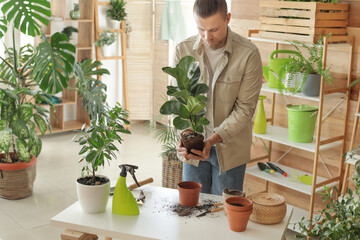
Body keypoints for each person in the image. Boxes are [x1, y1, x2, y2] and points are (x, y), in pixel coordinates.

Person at [174, 0, 263, 195]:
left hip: (230, 150)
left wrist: (211, 140)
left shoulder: (248, 54)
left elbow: (245, 109)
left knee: (223, 214)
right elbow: (179, 103)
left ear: (228, 18)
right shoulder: (183, 50)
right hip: (194, 150)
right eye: (201, 29)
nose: (207, 37)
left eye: (214, 29)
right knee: (192, 209)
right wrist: (185, 137)